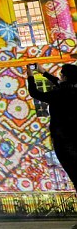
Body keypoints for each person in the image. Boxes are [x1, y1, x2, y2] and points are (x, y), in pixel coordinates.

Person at [27, 64, 77, 220]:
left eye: (61, 75)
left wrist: (30, 75)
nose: (60, 77)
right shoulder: (74, 90)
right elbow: (62, 84)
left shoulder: (59, 94)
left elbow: (34, 92)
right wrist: (45, 73)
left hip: (63, 138)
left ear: (65, 77)